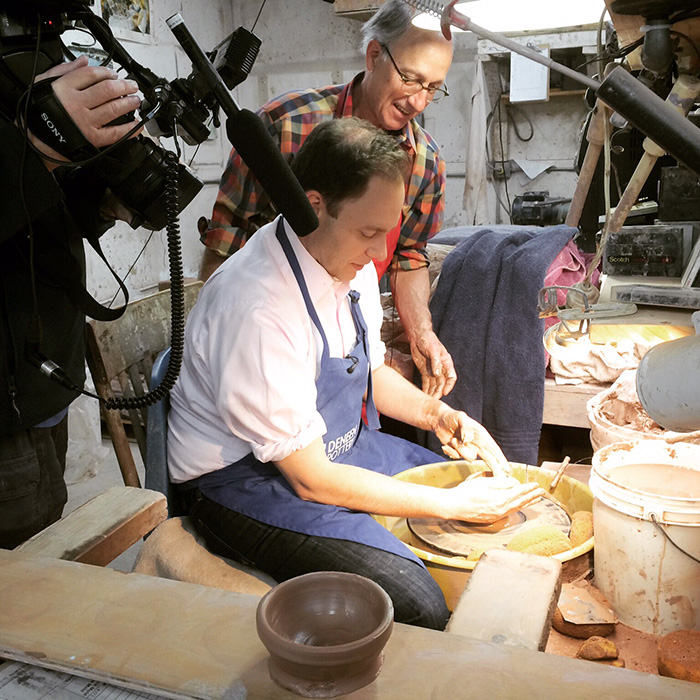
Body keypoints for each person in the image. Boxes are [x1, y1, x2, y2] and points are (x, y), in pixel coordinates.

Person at [169, 118, 544, 630]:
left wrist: (436, 412)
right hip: (245, 483)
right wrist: (444, 501)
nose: (378, 254)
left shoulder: (351, 261)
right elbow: (309, 479)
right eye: (368, 233)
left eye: (385, 232)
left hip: (334, 447)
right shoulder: (258, 308)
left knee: (478, 487)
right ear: (314, 204)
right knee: (418, 602)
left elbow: (366, 374)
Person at [198, 0, 457, 398]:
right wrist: (218, 342)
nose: (418, 102)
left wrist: (421, 333)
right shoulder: (284, 128)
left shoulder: (425, 163)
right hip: (271, 348)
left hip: (348, 349)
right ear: (374, 55)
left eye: (433, 88)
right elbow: (226, 241)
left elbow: (408, 256)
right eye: (410, 78)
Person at [0, 55, 141, 549]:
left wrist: (103, 194)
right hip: (10, 409)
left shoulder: (34, 49)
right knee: (23, 577)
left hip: (47, 382)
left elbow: (44, 218)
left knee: (43, 532)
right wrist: (28, 149)